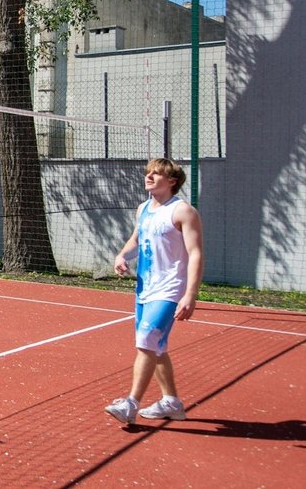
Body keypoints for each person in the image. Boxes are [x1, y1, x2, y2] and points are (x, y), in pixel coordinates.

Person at [104, 157, 204, 425]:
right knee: (157, 348)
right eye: (148, 173)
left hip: (169, 289)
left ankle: (130, 404)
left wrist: (190, 294)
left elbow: (195, 253)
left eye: (156, 174)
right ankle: (171, 402)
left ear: (171, 182)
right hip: (144, 287)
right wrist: (122, 255)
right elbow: (136, 240)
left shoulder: (183, 211)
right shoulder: (144, 209)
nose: (148, 177)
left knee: (146, 343)